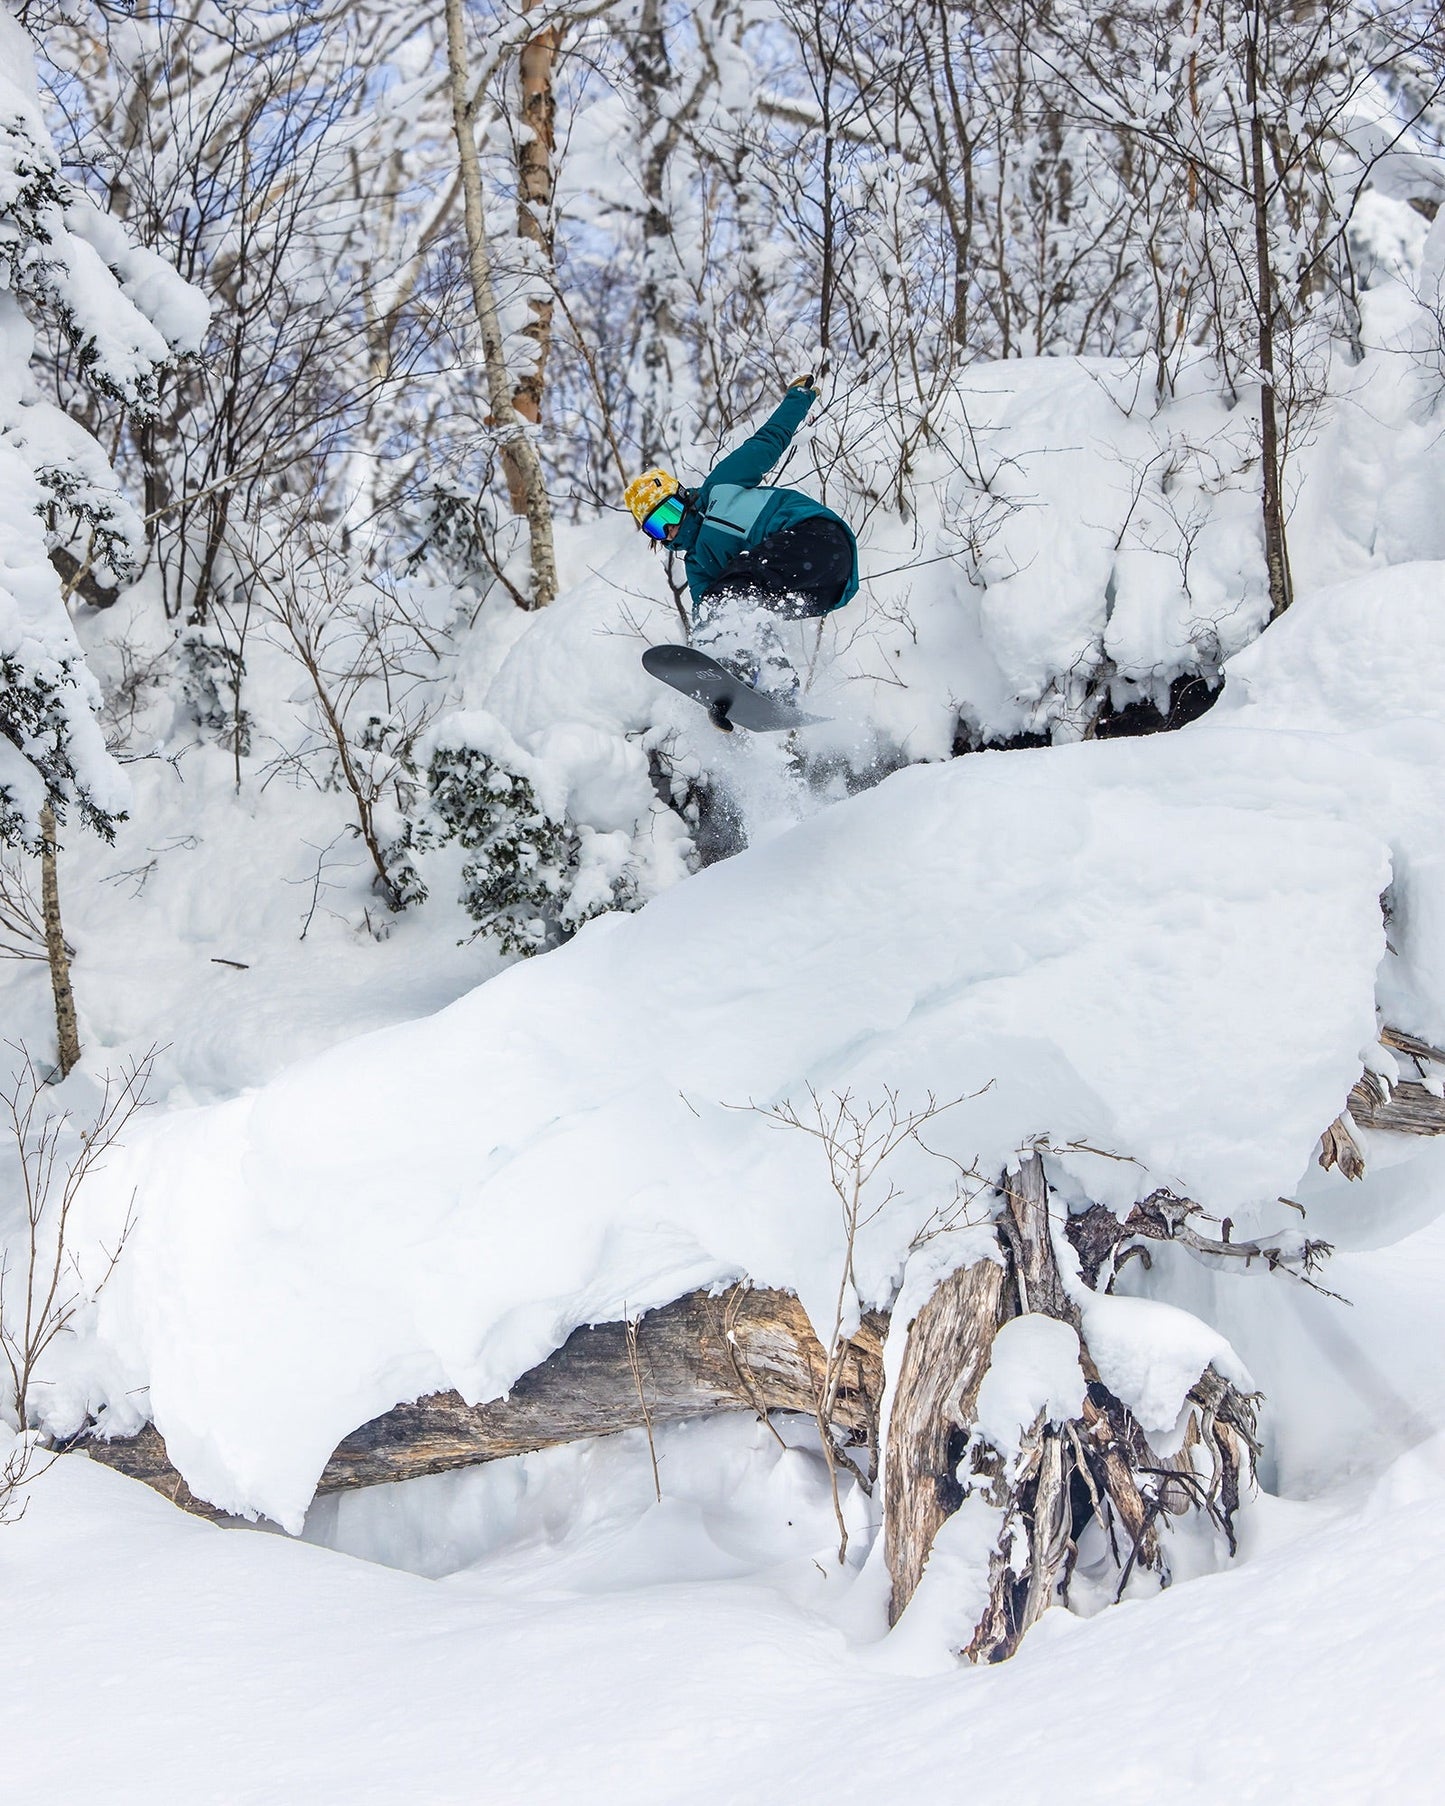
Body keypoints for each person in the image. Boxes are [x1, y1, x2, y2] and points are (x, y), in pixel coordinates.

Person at [625, 375, 858, 697]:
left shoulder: (721, 485)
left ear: (684, 498)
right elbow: (711, 618)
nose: (669, 530)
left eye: (668, 514)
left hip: (815, 539)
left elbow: (768, 440)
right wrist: (717, 688)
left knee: (731, 593)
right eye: (656, 528)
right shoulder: (698, 567)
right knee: (736, 613)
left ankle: (755, 672)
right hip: (819, 590)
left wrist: (798, 399)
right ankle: (770, 687)